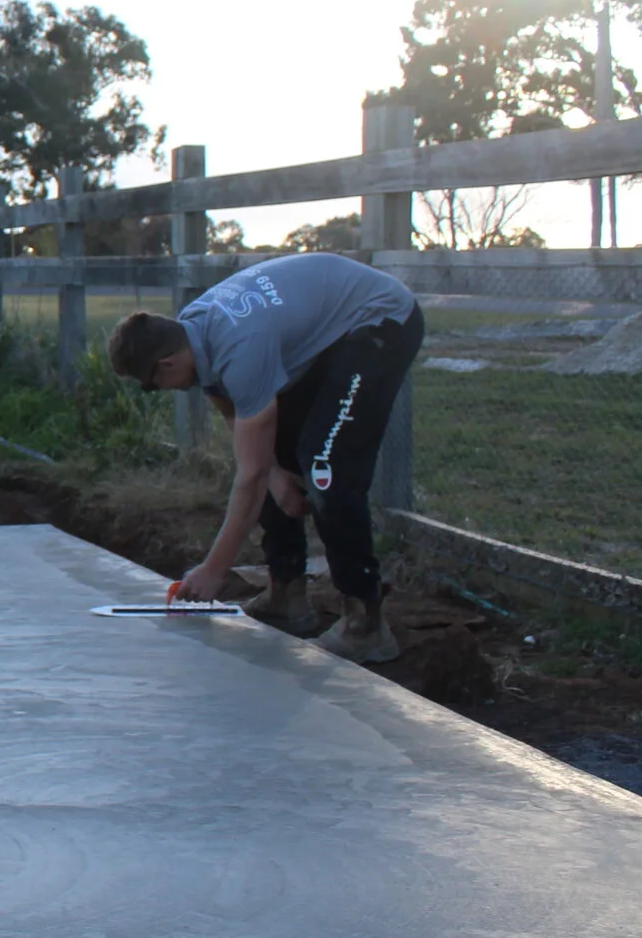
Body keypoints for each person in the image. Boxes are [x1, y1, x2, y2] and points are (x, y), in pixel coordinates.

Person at [107, 252, 425, 664]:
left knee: (325, 466)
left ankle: (364, 622)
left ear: (166, 365)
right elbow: (237, 420)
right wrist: (277, 477)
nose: (162, 391)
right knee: (270, 453)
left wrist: (214, 569)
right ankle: (286, 593)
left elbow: (250, 476)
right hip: (329, 328)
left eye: (152, 385)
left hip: (379, 318)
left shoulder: (240, 347)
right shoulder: (195, 329)